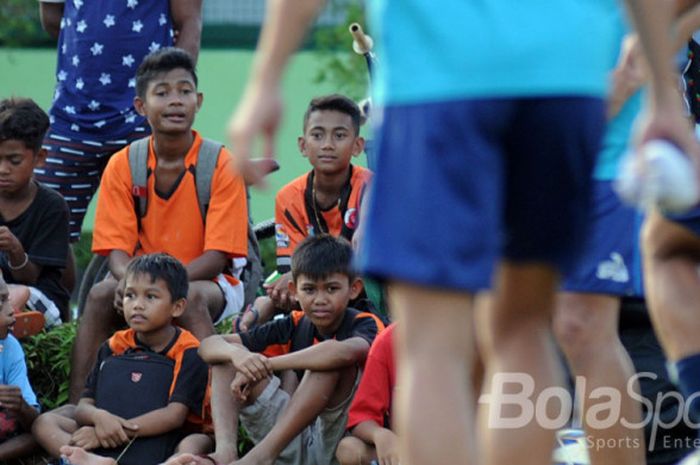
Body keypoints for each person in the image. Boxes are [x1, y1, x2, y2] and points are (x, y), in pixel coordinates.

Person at [226, 1, 695, 465]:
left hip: (437, 83)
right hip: (560, 82)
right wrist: (663, 90)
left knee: (434, 349)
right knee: (520, 333)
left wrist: (266, 79)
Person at [67, 47, 249, 403]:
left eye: (184, 91)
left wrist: (160, 289)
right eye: (162, 93)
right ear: (140, 106)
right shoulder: (124, 163)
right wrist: (133, 284)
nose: (175, 101)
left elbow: (216, 257)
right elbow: (117, 253)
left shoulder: (221, 163)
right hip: (140, 279)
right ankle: (76, 407)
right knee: (101, 293)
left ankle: (212, 411)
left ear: (198, 101)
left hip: (208, 281)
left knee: (190, 298)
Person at [181, 234, 384, 465]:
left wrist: (268, 364)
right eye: (309, 289)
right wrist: (238, 356)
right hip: (292, 436)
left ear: (354, 289)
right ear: (294, 290)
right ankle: (226, 453)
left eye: (331, 289)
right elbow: (208, 345)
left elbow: (344, 353)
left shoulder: (366, 322)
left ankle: (259, 458)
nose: (320, 299)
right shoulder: (295, 322)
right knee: (225, 358)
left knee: (326, 362)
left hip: (337, 440)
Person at [37, 0, 202, 243]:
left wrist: (167, 93)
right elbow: (53, 20)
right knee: (45, 232)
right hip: (70, 119)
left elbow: (189, 22)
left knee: (155, 236)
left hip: (141, 120)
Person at [32, 253, 210, 465]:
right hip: (113, 427)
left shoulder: (189, 350)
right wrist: (99, 419)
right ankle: (91, 461)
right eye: (130, 295)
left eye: (150, 297)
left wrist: (103, 434)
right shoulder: (114, 345)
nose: (137, 305)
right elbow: (84, 405)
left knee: (196, 443)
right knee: (44, 423)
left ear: (177, 307)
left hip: (168, 434)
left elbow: (174, 416)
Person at [239, 94, 371, 331]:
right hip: (313, 285)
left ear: (357, 146)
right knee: (275, 292)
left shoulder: (371, 187)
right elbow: (290, 267)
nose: (328, 144)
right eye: (317, 135)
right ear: (303, 145)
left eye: (339, 135)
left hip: (362, 284)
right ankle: (247, 331)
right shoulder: (288, 197)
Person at [0, 97, 70, 329]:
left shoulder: (51, 205)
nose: (3, 169)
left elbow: (29, 278)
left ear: (39, 158)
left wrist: (15, 249)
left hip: (37, 297)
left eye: (14, 160)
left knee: (15, 294)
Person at [335, 323, 397, 465]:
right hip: (407, 452)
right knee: (349, 449)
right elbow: (362, 417)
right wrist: (380, 435)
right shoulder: (388, 340)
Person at [0, 272, 41, 461]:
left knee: (45, 428)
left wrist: (21, 406)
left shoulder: (9, 347)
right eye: (1, 302)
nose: (11, 310)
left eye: (7, 299)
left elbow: (35, 423)